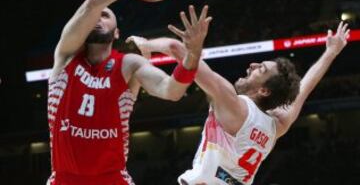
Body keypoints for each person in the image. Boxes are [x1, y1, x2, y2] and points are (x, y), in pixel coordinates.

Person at [46, 0, 213, 185]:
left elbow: (172, 91)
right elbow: (94, 4)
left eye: (105, 16)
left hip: (113, 179)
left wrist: (193, 55)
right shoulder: (65, 56)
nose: (97, 18)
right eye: (95, 17)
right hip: (65, 179)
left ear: (116, 32)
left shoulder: (129, 64)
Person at [127, 20, 350, 185]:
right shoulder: (277, 125)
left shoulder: (233, 104)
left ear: (263, 90)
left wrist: (145, 44)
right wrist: (330, 52)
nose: (252, 65)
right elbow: (304, 89)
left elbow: (178, 50)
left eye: (260, 69)